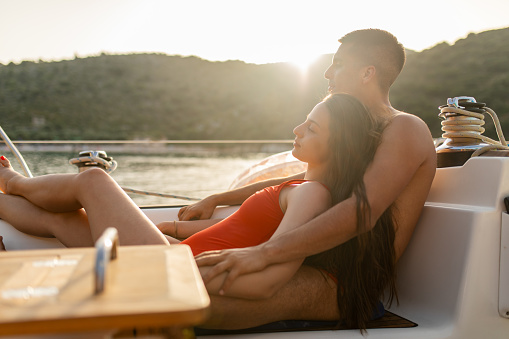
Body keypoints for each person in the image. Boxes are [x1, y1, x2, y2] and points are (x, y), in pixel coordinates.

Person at [0, 93, 389, 321]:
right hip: (173, 258)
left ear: (338, 148)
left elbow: (271, 279)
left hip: (173, 271)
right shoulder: (300, 187)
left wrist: (201, 276)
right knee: (61, 220)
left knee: (94, 181)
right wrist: (172, 229)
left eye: (312, 128)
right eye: (304, 121)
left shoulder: (313, 195)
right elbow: (236, 230)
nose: (297, 130)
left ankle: (12, 180)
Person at [178, 28, 437, 330]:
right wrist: (219, 199)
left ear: (368, 72)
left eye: (338, 63)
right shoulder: (354, 128)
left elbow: (361, 211)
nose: (328, 72)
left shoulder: (404, 127)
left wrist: (263, 253)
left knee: (188, 301)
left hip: (343, 282)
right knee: (178, 285)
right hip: (309, 260)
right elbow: (304, 179)